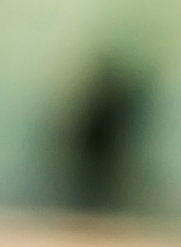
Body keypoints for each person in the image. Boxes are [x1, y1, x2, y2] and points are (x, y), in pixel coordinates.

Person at [57, 50, 154, 216]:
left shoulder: (100, 103)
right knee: (95, 190)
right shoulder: (112, 105)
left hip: (94, 154)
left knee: (90, 191)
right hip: (98, 154)